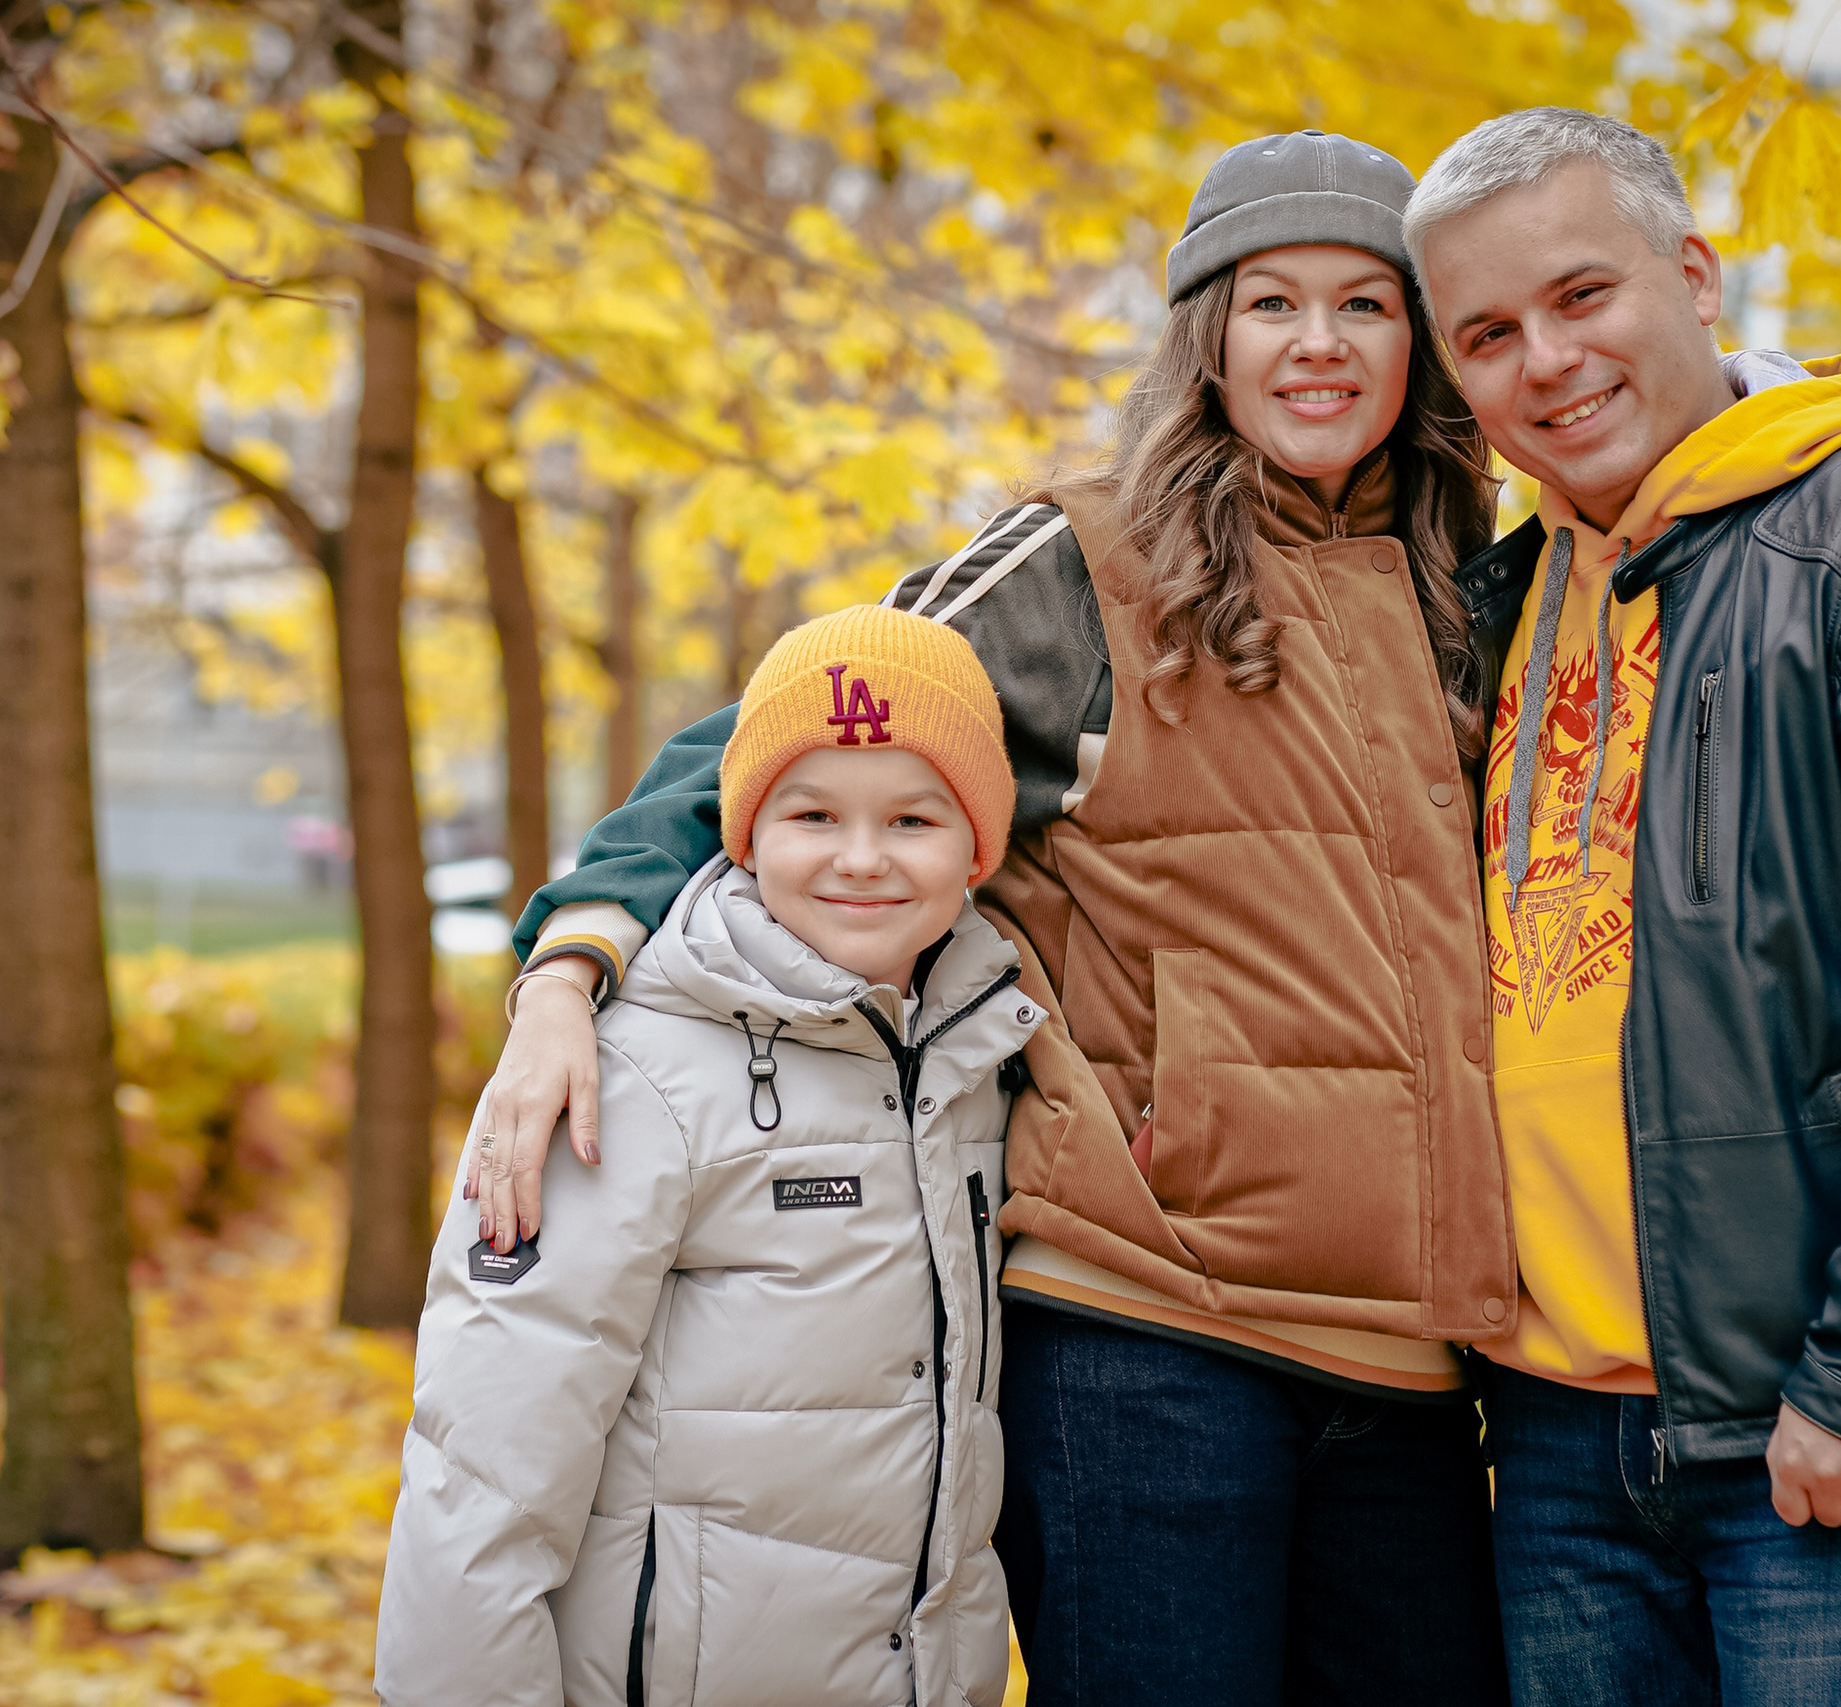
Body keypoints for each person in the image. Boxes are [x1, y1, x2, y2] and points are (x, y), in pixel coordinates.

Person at [474, 131, 1514, 1703]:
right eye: (1272, 303)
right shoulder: (1080, 565)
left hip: (1417, 1360)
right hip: (1152, 1329)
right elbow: (778, 737)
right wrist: (570, 961)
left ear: (1418, 339)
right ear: (1208, 337)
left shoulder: (1478, 591)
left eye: (1365, 304)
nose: (1319, 343)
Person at [1402, 107, 1841, 1706]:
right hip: (1556, 1425)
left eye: (1582, 295)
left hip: (1822, 1415)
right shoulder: (1513, 591)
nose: (1547, 362)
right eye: (1489, 334)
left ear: (1695, 274)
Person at [375, 604, 1041, 1706]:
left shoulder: (984, 1055)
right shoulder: (623, 1070)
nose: (861, 858)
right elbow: (482, 1474)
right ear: (742, 832)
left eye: (913, 819)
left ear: (978, 844)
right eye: (813, 814)